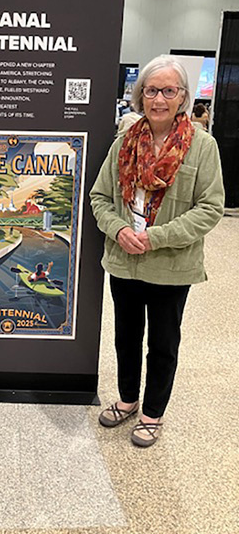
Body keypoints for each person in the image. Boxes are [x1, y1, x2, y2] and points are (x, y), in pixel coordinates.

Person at [90, 55, 224, 447]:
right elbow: (100, 198)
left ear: (182, 97)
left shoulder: (202, 147)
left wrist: (156, 237)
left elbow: (210, 207)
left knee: (163, 343)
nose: (159, 99)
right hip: (125, 261)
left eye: (168, 91)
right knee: (126, 337)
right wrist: (118, 229)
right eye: (151, 91)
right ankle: (128, 399)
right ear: (140, 96)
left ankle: (152, 413)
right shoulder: (123, 144)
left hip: (170, 264)